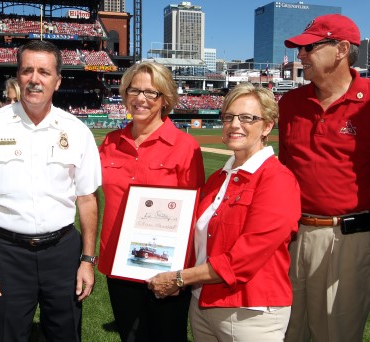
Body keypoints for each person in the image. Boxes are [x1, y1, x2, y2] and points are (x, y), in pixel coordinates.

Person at [0, 40, 101, 342]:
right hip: (5, 252)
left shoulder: (76, 130)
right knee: (5, 334)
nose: (35, 79)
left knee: (65, 334)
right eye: (27, 70)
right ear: (18, 77)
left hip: (62, 252)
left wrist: (87, 260)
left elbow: (86, 200)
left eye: (44, 72)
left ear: (57, 81)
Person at [147, 83, 301, 341]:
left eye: (247, 118)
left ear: (267, 126)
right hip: (203, 303)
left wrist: (179, 278)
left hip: (250, 311)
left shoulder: (277, 180)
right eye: (228, 117)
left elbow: (244, 258)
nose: (234, 124)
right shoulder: (219, 177)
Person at [98, 61, 205, 342]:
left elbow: (193, 214)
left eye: (151, 92)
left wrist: (181, 274)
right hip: (119, 263)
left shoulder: (185, 146)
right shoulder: (109, 142)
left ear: (165, 99)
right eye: (134, 90)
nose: (141, 99)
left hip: (165, 266)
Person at [279, 14, 370, 342]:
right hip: (293, 236)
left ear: (342, 49)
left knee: (337, 334)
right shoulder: (291, 102)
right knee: (288, 331)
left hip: (347, 239)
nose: (301, 56)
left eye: (310, 48)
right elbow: (285, 170)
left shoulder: (368, 102)